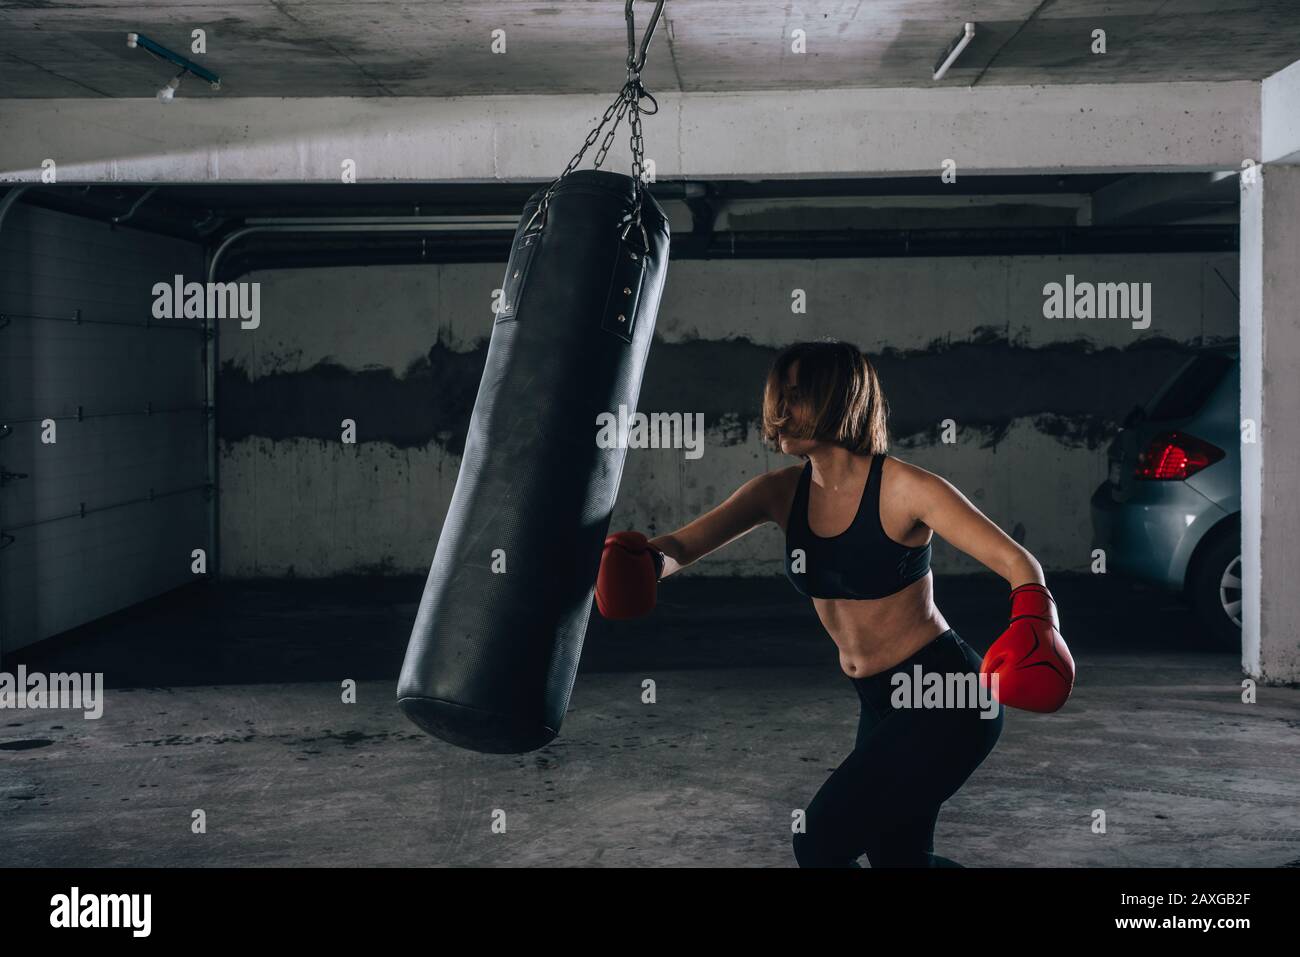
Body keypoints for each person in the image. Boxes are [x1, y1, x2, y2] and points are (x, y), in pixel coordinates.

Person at [596, 339, 1074, 867]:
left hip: (946, 697)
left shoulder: (905, 489)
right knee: (900, 863)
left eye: (797, 395)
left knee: (821, 841)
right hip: (879, 702)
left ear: (838, 399)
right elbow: (682, 547)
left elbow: (1018, 561)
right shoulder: (779, 492)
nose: (779, 411)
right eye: (779, 394)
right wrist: (638, 563)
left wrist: (1036, 618)